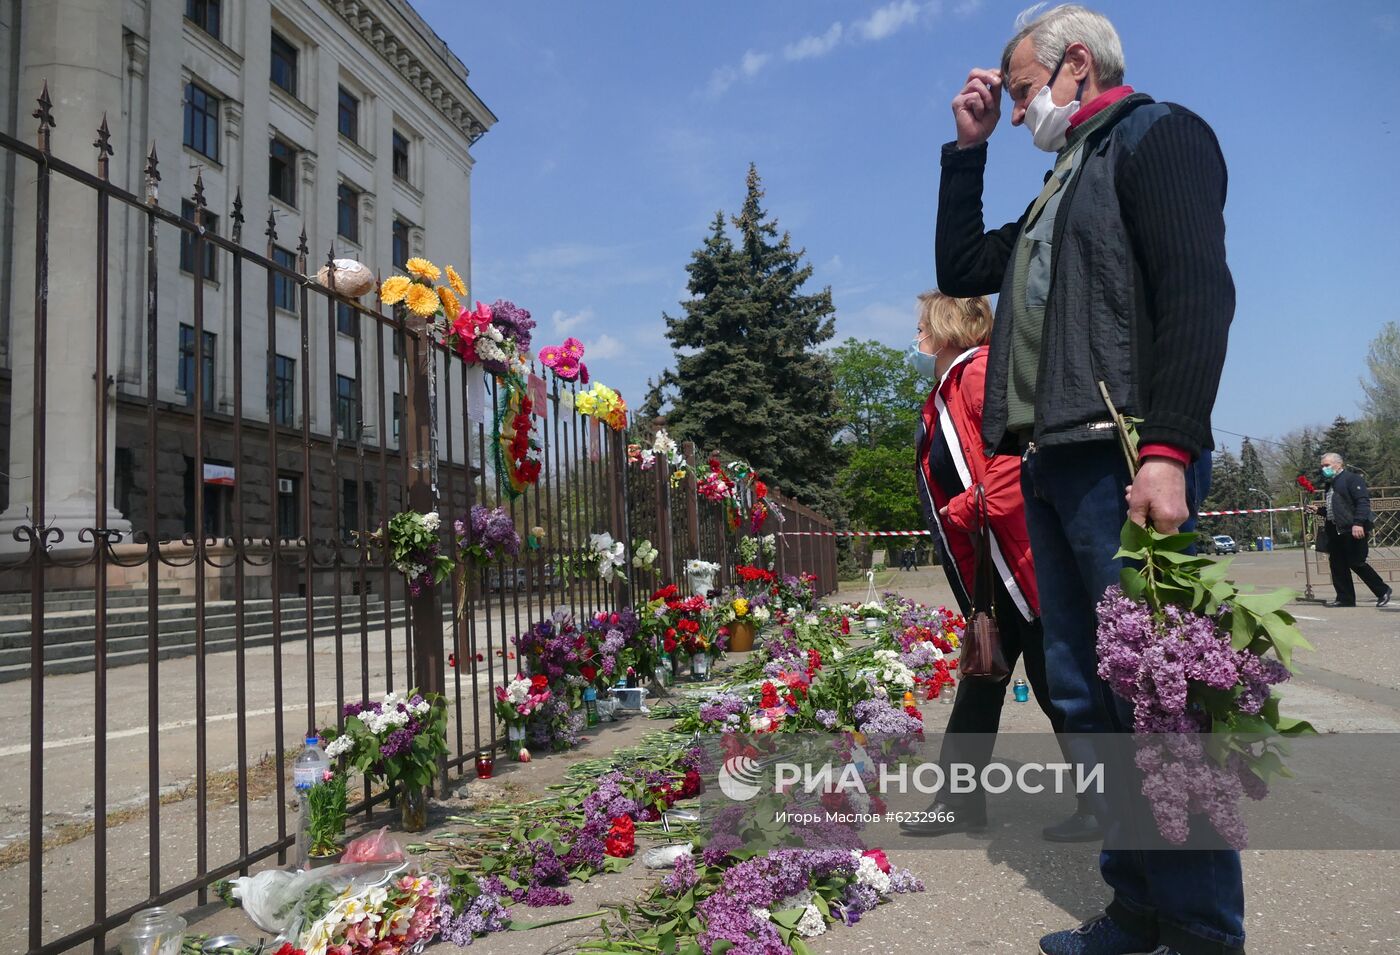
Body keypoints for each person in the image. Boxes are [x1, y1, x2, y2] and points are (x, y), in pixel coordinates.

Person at [936, 5, 1239, 955]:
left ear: (1075, 66)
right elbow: (957, 269)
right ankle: (1139, 904)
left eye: (1021, 92)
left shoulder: (1159, 136)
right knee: (1083, 696)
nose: (1020, 110)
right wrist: (969, 149)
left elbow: (1198, 292)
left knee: (1158, 701)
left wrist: (1170, 449)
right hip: (1051, 463)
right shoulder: (1053, 187)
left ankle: (1199, 926)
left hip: (1122, 457)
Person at [900, 290, 1099, 842]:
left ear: (946, 330)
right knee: (983, 677)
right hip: (995, 568)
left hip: (1022, 562)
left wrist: (961, 510)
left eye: (922, 328)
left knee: (1055, 680)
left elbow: (1021, 464)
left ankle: (1104, 802)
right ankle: (958, 803)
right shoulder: (947, 389)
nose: (916, 339)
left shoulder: (980, 373)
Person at [1315, 452, 1392, 608]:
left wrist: (1358, 523)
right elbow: (1336, 509)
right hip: (1335, 529)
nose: (1324, 469)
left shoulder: (1352, 479)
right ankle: (1345, 598)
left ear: (1338, 464)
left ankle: (1382, 590)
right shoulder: (1330, 483)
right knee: (1337, 564)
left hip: (1353, 528)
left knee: (1356, 562)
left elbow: (1362, 502)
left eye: (1327, 465)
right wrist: (1318, 510)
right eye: (1322, 466)